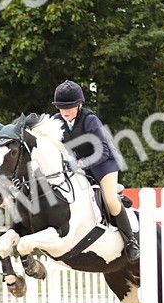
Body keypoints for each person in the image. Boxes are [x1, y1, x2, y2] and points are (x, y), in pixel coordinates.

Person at [50, 79, 139, 262]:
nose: (65, 111)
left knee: (110, 200)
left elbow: (103, 151)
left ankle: (131, 242)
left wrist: (80, 164)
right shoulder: (57, 121)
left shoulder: (90, 120)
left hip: (103, 164)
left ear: (79, 105)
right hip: (78, 165)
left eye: (70, 107)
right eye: (61, 107)